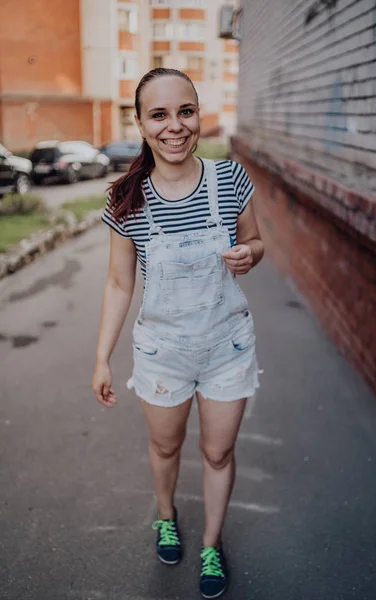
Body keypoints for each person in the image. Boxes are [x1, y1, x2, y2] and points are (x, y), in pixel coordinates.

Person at [92, 68, 264, 599]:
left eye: (185, 112)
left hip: (226, 349)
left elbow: (256, 242)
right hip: (163, 354)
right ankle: (165, 515)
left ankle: (211, 545)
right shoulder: (126, 200)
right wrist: (102, 358)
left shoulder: (229, 179)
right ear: (141, 125)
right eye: (159, 115)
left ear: (199, 115)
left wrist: (248, 255)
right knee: (165, 448)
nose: (175, 126)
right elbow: (121, 284)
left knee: (217, 453)